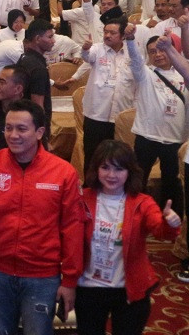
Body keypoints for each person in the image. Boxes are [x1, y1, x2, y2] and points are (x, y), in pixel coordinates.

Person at [0, 99, 83, 334]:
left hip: (42, 276)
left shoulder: (63, 172)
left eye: (21, 129)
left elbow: (73, 228)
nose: (13, 135)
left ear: (39, 132)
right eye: (8, 128)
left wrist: (70, 280)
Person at [76, 139, 181, 335]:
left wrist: (171, 223)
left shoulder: (142, 202)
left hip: (129, 289)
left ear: (129, 171)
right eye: (105, 167)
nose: (111, 175)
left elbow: (160, 231)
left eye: (119, 169)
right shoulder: (82, 198)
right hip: (89, 287)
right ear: (96, 169)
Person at [127, 31, 189, 217]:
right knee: (138, 180)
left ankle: (169, 221)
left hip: (175, 139)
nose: (158, 54)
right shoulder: (145, 73)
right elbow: (135, 59)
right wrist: (130, 40)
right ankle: (134, 217)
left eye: (162, 50)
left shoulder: (184, 74)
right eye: (152, 51)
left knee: (172, 183)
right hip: (146, 137)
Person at [77, 19, 134, 177]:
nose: (107, 35)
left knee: (118, 159)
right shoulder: (97, 49)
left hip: (120, 116)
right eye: (105, 32)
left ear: (122, 35)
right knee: (92, 157)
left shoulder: (131, 54)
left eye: (112, 33)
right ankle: (89, 188)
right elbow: (87, 56)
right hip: (96, 115)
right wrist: (85, 48)